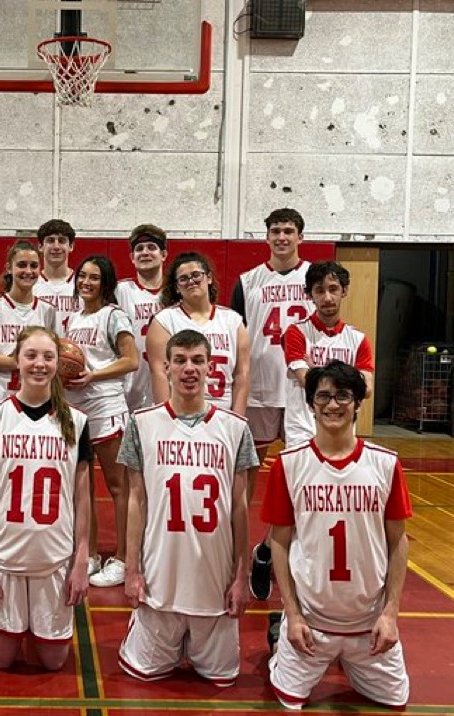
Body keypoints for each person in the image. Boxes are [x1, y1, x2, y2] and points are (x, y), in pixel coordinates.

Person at [261, 361, 411, 711]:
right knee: (290, 701)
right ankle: (280, 632)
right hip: (311, 623)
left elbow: (397, 541)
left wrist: (390, 613)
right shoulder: (289, 463)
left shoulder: (385, 463)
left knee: (395, 701)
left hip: (368, 624)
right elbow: (279, 543)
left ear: (358, 403)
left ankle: (352, 660)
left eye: (343, 396)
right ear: (311, 403)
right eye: (323, 396)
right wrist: (293, 614)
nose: (332, 405)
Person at [118, 329, 257, 683]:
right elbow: (136, 500)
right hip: (159, 583)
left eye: (197, 360)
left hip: (214, 586)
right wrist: (131, 571)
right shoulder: (142, 423)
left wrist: (242, 577)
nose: (189, 368)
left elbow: (240, 508)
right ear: (166, 367)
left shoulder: (236, 428)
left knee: (222, 680)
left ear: (212, 367)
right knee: (143, 676)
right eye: (180, 360)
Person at [0, 326, 91, 670]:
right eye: (31, 356)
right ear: (17, 361)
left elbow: (83, 498)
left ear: (59, 363)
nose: (40, 364)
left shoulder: (78, 422)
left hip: (53, 557)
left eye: (48, 357)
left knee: (54, 661)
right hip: (5, 555)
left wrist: (81, 558)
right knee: (3, 659)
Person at [229, 208, 315, 601]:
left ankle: (279, 548)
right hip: (261, 390)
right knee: (246, 478)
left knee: (302, 477)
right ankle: (239, 555)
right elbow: (237, 337)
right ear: (266, 237)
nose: (282, 237)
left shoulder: (316, 277)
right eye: (275, 231)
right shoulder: (248, 282)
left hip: (301, 391)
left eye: (289, 231)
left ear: (300, 236)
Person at [65, 256, 139, 587]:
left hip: (107, 406)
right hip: (75, 408)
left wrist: (93, 374)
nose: (86, 282)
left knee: (118, 485)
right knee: (83, 486)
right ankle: (90, 553)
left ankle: (124, 558)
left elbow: (131, 360)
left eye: (94, 277)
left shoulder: (114, 315)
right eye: (82, 275)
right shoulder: (73, 318)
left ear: (105, 282)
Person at [283, 261, 374, 449]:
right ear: (309, 294)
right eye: (319, 290)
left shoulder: (358, 339)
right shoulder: (296, 333)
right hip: (303, 430)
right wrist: (349, 377)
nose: (327, 297)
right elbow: (307, 382)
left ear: (344, 290)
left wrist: (316, 370)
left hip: (343, 431)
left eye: (333, 289)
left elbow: (366, 390)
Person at [147, 252, 250, 415]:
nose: (191, 282)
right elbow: (159, 372)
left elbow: (241, 375)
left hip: (222, 413)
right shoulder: (164, 321)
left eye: (196, 275)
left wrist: (237, 419)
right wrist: (167, 418)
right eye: (183, 278)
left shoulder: (233, 321)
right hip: (181, 412)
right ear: (176, 287)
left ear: (208, 278)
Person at [0, 240, 58, 416]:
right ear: (9, 268)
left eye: (34, 266)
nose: (28, 271)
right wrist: (27, 362)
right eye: (22, 265)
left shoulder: (47, 310)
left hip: (34, 398)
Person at [115, 224, 168, 414]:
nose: (145, 252)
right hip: (128, 387)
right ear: (131, 257)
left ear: (164, 254)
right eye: (139, 249)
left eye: (151, 248)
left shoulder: (177, 292)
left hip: (166, 384)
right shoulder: (119, 291)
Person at [32, 219, 80, 334]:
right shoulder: (30, 285)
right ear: (40, 246)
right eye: (50, 240)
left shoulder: (82, 284)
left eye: (62, 241)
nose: (56, 246)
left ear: (71, 246)